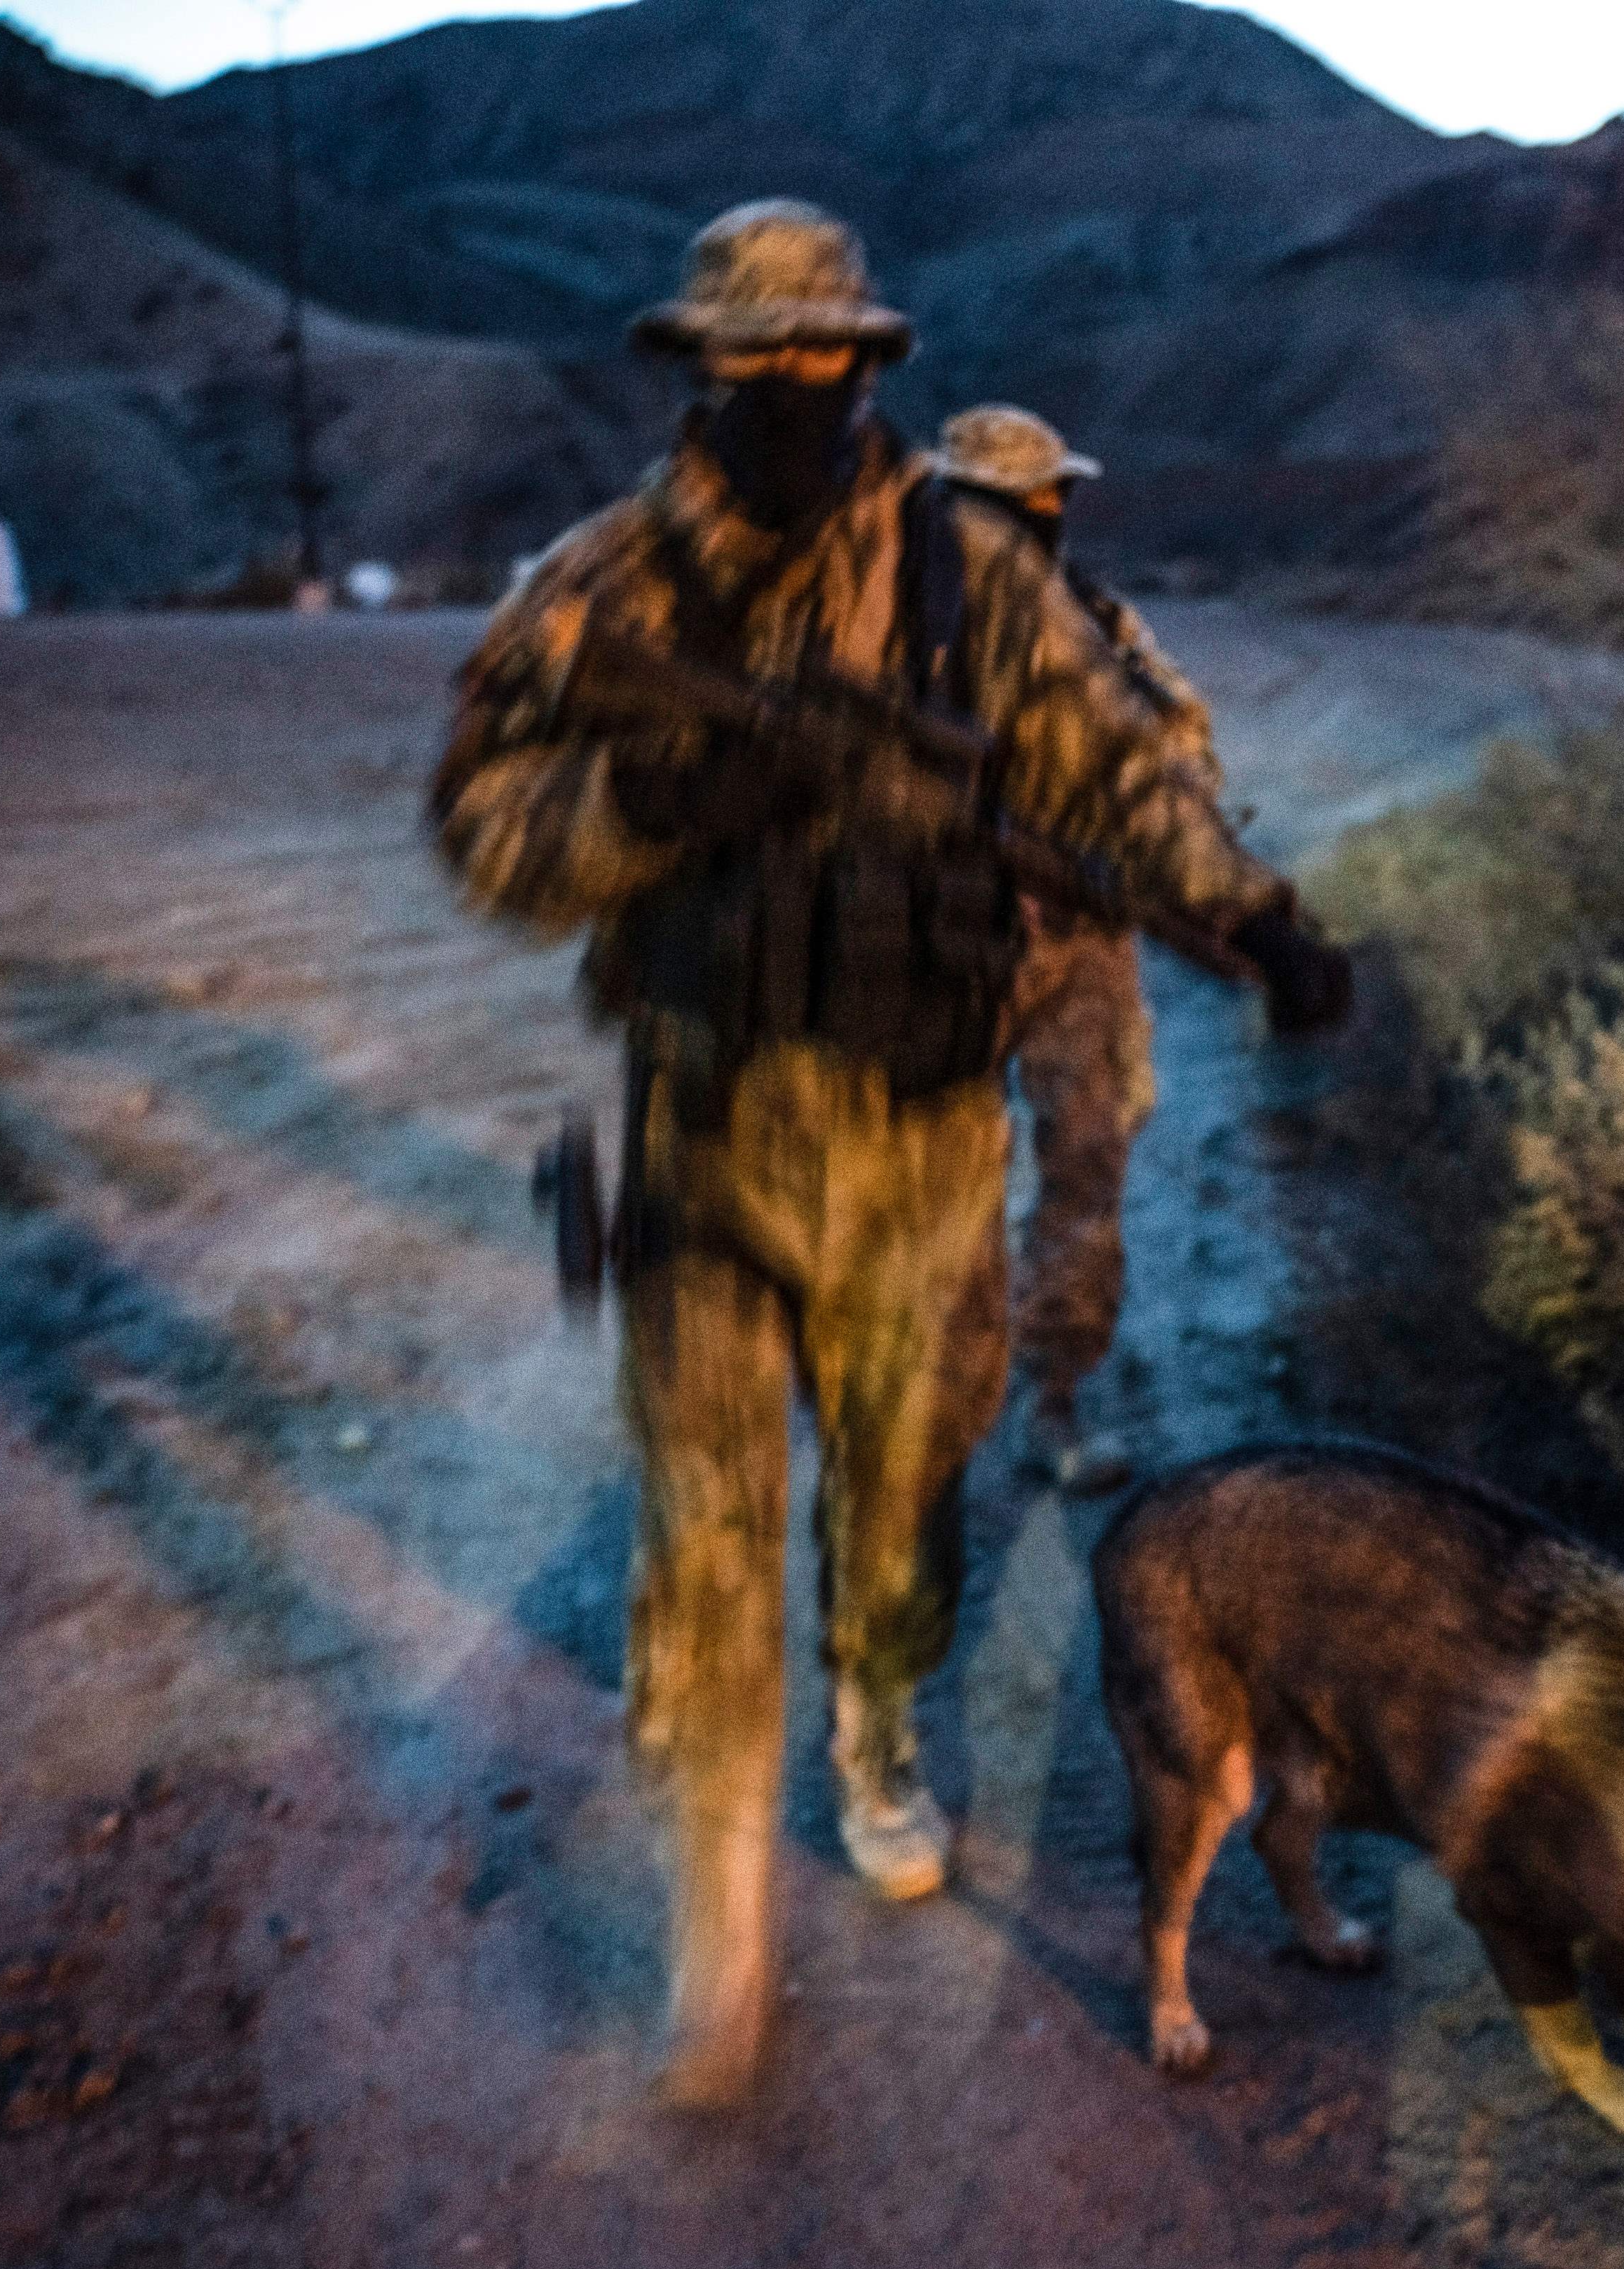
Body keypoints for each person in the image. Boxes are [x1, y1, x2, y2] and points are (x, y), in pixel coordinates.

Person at [424, 200, 1349, 2104]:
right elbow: (486, 823)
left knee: (905, 1496)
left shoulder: (966, 574)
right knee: (705, 1517)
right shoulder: (609, 583)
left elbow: (1114, 766)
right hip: (706, 1120)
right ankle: (720, 1926)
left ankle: (876, 1718)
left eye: (822, 361)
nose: (789, 392)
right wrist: (658, 789)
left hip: (923, 1138)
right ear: (698, 368)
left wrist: (1252, 918)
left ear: (869, 362)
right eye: (753, 364)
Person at [931, 403, 1210, 1494]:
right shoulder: (883, 636)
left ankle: (1052, 1396)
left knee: (1082, 1172)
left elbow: (1185, 752)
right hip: (940, 947)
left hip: (1077, 951)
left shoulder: (1098, 622)